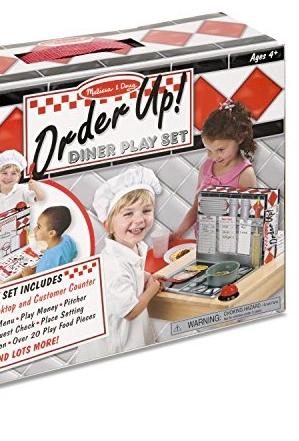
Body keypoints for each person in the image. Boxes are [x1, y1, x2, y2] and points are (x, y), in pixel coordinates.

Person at [75, 167, 164, 363]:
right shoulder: (113, 265)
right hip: (113, 349)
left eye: (146, 211)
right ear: (108, 225)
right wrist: (151, 290)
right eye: (128, 213)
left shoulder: (134, 248)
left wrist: (147, 277)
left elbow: (131, 274)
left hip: (131, 338)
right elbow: (130, 312)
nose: (139, 219)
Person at [171, 99, 258, 241]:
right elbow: (196, 207)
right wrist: (178, 233)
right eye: (209, 150)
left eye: (221, 150)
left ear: (240, 138)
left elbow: (248, 221)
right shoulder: (206, 167)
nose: (214, 157)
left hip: (230, 243)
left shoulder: (245, 174)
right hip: (204, 241)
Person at [0, 150, 46, 263]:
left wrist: (36, 187)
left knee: (21, 261)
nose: (8, 177)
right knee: (1, 261)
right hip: (0, 239)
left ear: (18, 177)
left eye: (13, 173)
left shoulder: (23, 191)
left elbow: (41, 198)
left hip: (22, 236)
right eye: (4, 173)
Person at [17, 206, 78, 277]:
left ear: (51, 233)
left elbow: (39, 283)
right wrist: (50, 251)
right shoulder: (68, 239)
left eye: (39, 227)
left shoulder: (45, 264)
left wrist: (28, 276)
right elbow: (74, 253)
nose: (34, 229)